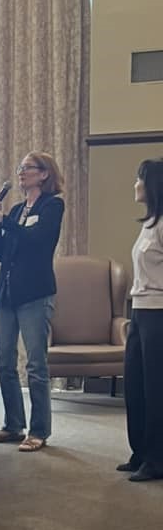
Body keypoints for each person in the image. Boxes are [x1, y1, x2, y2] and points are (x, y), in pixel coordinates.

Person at [0, 151, 65, 452]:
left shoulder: (53, 206)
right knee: (3, 362)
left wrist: (2, 220)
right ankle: (13, 425)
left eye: (28, 168)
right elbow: (2, 253)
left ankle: (39, 431)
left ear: (44, 174)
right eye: (20, 167)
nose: (21, 173)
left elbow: (36, 241)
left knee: (36, 365)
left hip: (35, 294)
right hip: (7, 294)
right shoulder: (15, 211)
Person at [118, 158, 163, 482]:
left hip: (158, 313)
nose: (135, 184)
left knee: (156, 388)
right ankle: (140, 451)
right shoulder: (149, 222)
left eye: (140, 179)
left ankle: (157, 458)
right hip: (139, 310)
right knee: (135, 384)